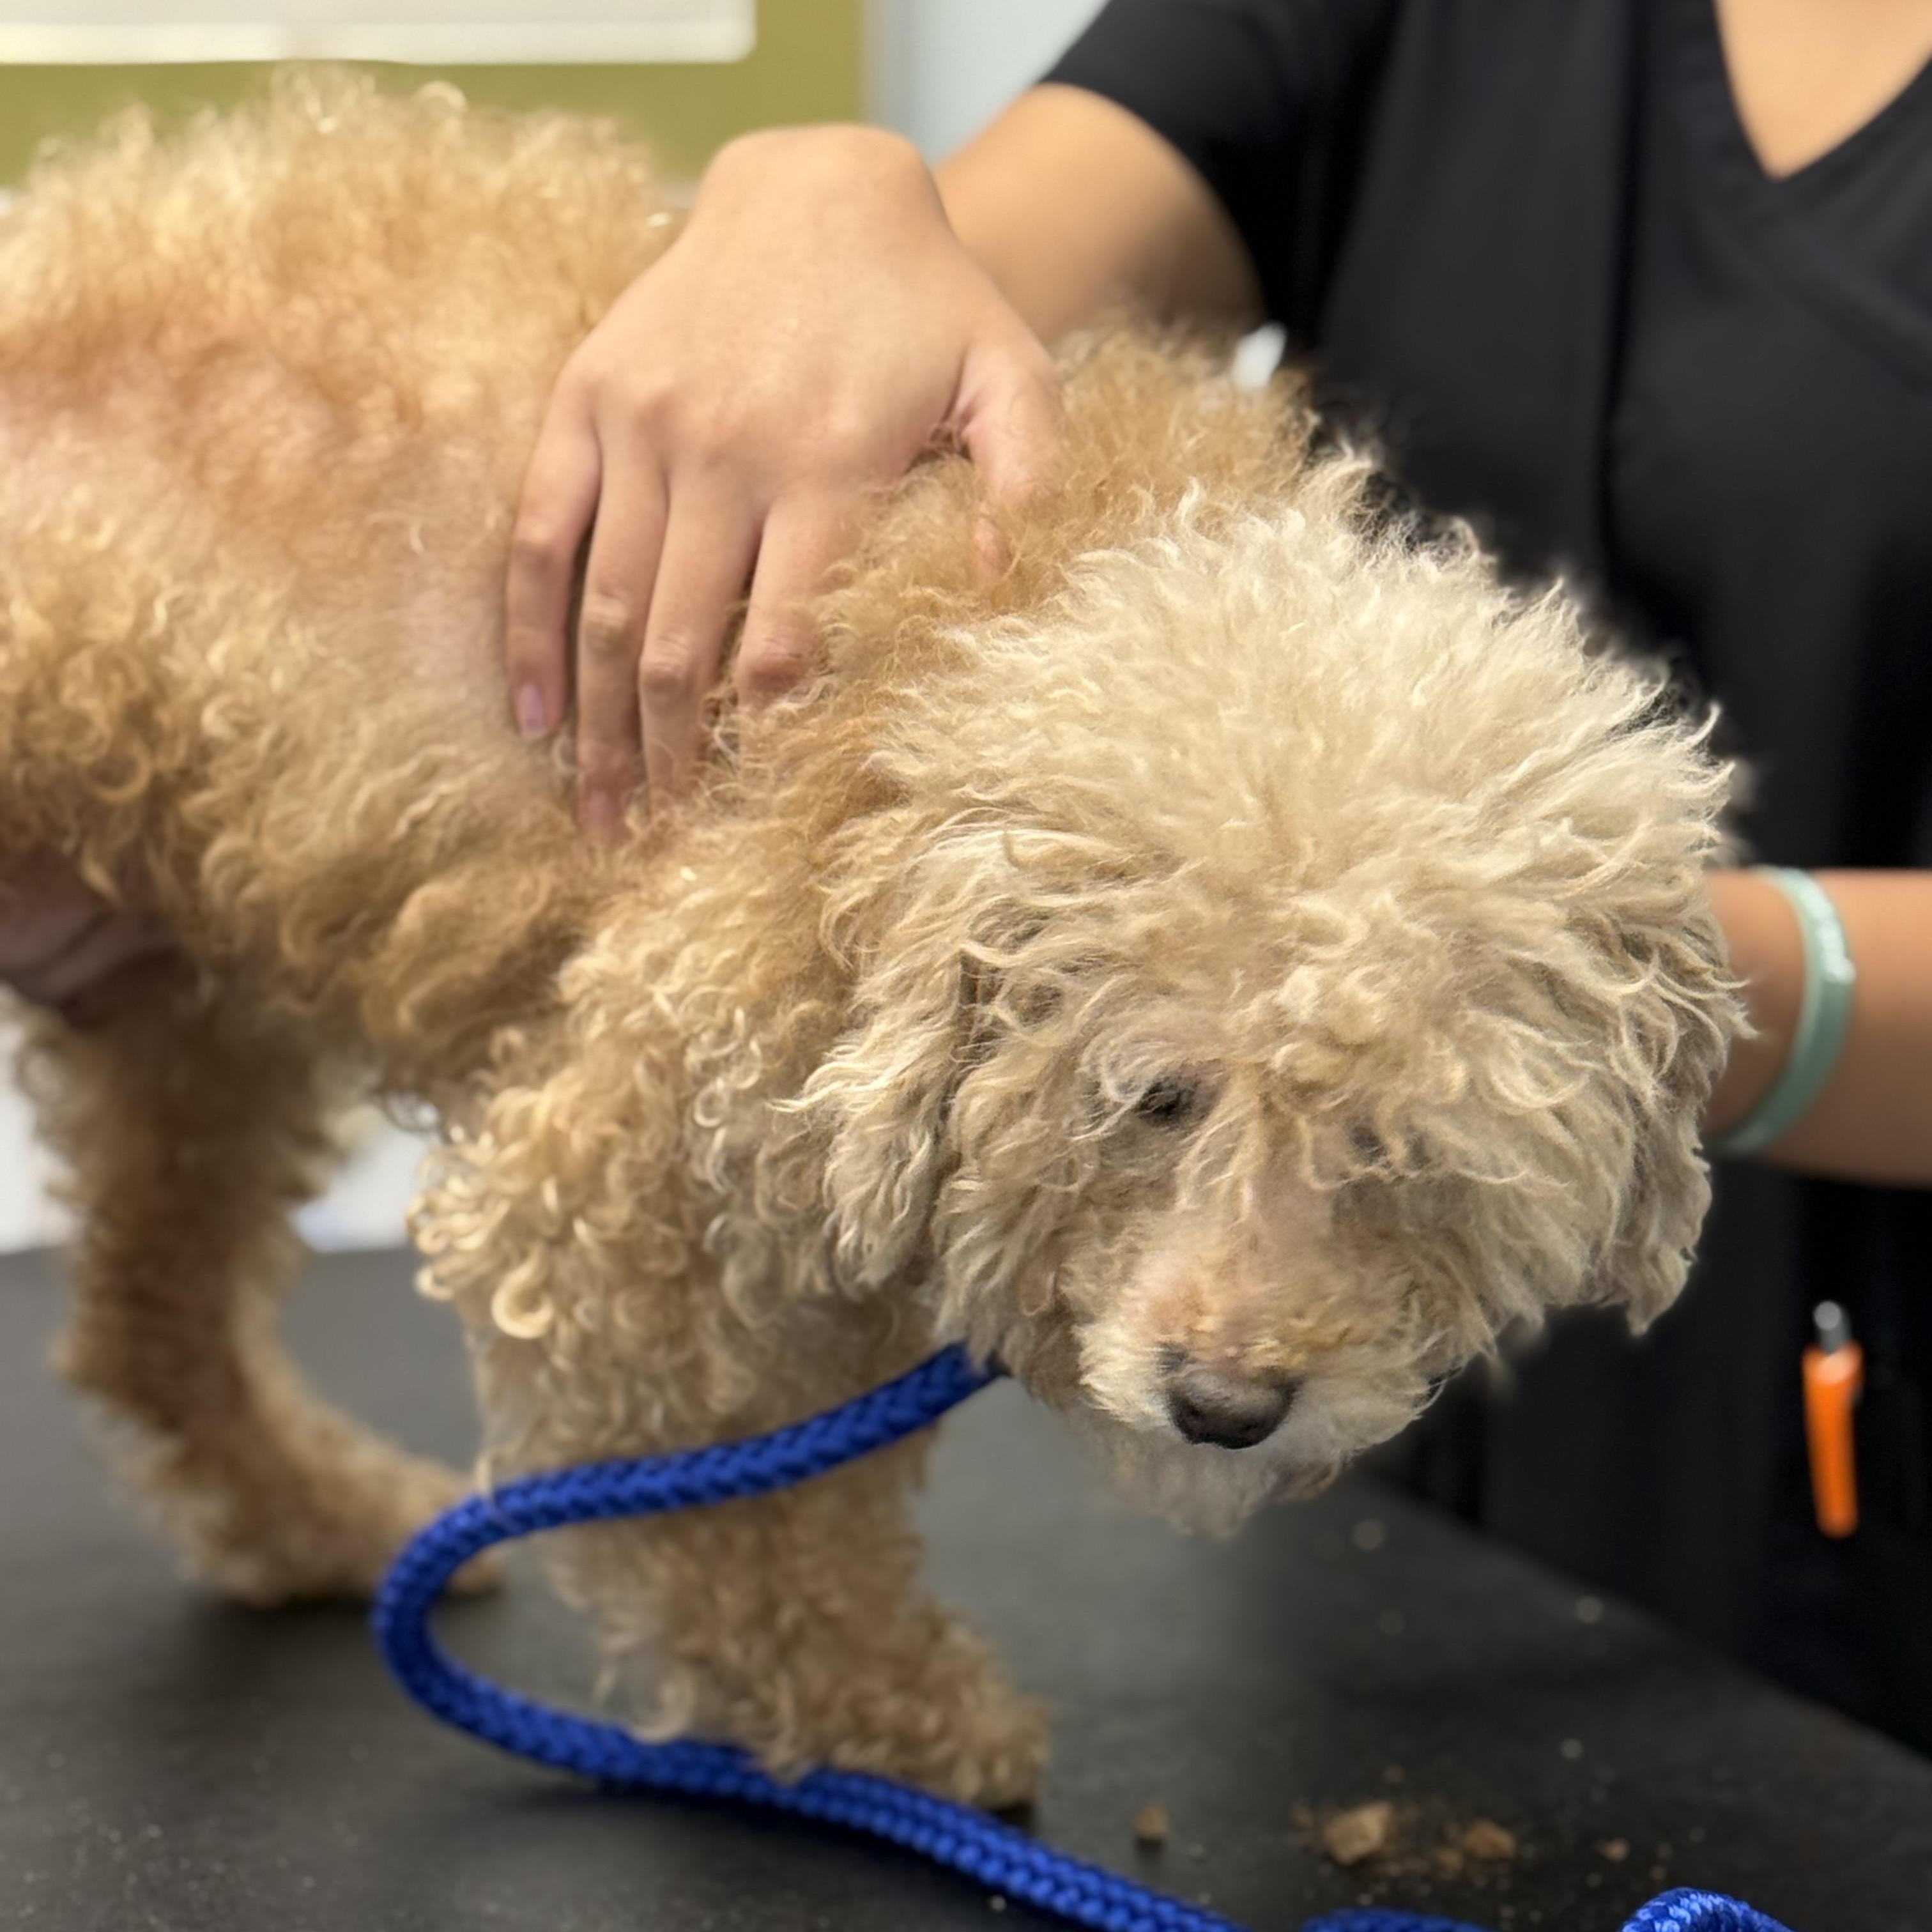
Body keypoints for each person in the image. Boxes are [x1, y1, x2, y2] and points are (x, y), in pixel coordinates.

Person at [5, 0, 1929, 1745]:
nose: (1232, 1347)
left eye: (1383, 1149)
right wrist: (830, 195)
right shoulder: (922, 860)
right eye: (1162, 1099)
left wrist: (1558, 997)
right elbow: (594, 1239)